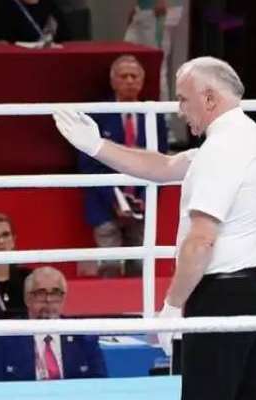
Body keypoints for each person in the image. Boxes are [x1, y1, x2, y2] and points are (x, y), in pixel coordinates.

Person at [53, 55, 256, 400]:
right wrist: (96, 145)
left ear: (209, 97)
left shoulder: (224, 150)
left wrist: (172, 305)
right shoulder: (247, 137)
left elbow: (201, 239)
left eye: (182, 98)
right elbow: (161, 167)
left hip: (221, 293)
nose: (179, 109)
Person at [77, 55, 169, 278]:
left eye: (134, 76)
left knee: (140, 267)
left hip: (142, 205)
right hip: (104, 203)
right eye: (123, 76)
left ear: (141, 81)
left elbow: (163, 162)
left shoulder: (153, 117)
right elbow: (88, 164)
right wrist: (116, 200)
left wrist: (143, 201)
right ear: (113, 81)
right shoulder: (96, 115)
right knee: (109, 268)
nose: (129, 81)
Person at [0, 266, 107, 381]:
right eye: (41, 293)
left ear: (63, 299)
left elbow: (100, 384)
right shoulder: (4, 338)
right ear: (27, 299)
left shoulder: (83, 337)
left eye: (55, 293)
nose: (48, 300)